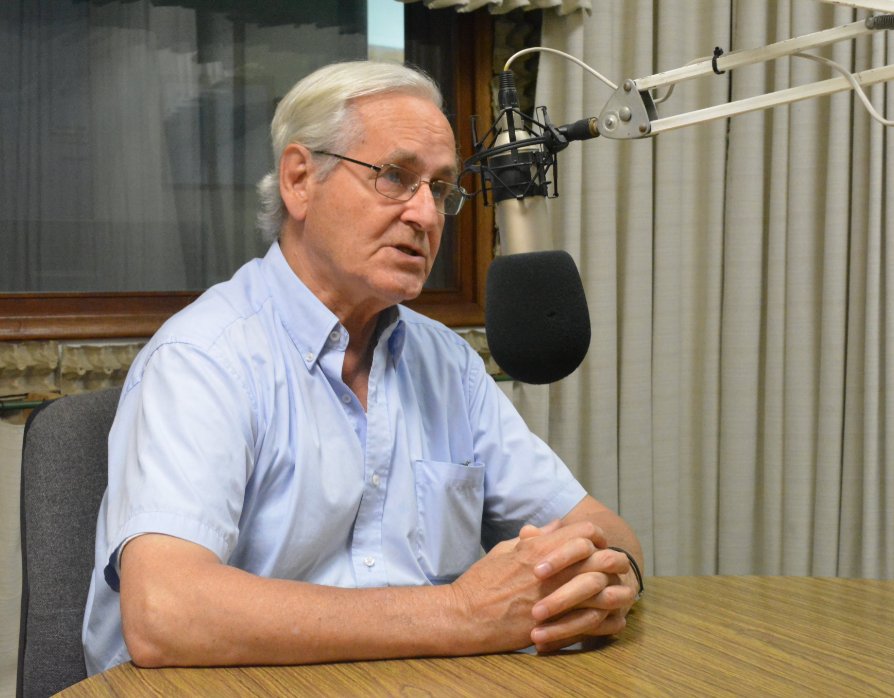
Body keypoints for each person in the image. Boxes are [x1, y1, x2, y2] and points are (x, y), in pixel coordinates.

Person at [82, 61, 642, 674]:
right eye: (396, 178)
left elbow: (595, 523)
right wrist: (461, 612)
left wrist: (609, 578)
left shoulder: (447, 362)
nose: (427, 218)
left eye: (441, 189)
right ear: (300, 180)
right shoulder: (203, 359)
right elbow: (166, 613)